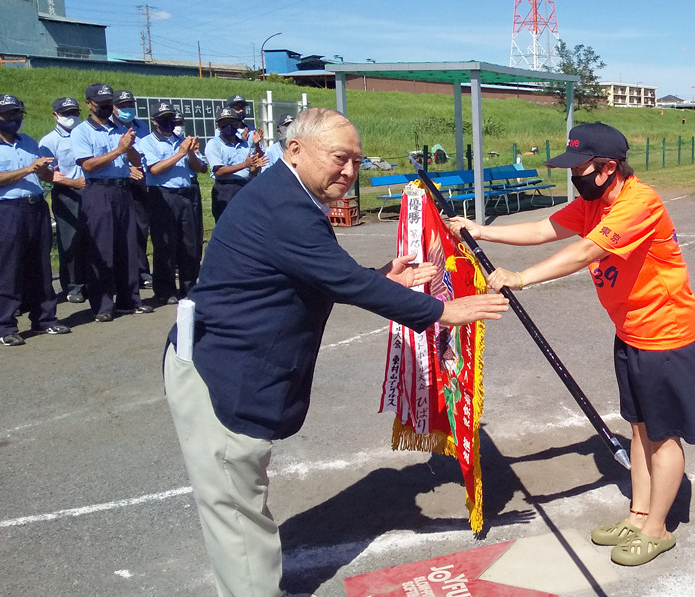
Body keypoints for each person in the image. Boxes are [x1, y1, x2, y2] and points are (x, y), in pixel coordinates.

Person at [163, 108, 508, 597]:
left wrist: (382, 277)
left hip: (236, 363)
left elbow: (321, 273)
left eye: (356, 161)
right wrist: (442, 312)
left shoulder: (287, 195)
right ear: (295, 150)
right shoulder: (285, 207)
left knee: (241, 502)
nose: (348, 172)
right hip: (222, 373)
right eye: (338, 158)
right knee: (236, 515)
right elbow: (339, 277)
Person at [449, 122, 695, 567]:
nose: (574, 176)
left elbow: (588, 252)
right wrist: (480, 230)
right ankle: (639, 514)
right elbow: (546, 228)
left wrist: (521, 277)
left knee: (663, 437)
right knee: (639, 429)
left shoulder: (637, 203)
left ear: (608, 168)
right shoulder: (594, 202)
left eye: (579, 167)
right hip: (632, 332)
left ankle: (657, 529)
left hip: (668, 336)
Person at [70, 83, 151, 322]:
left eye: (108, 103)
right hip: (98, 191)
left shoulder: (120, 129)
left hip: (122, 190)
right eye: (101, 104)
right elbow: (87, 165)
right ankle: (103, 304)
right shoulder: (82, 132)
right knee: (102, 248)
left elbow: (136, 161)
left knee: (128, 245)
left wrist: (129, 148)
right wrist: (118, 151)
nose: (105, 107)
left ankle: (130, 300)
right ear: (89, 104)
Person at [0, 93, 71, 346]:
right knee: (9, 267)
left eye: (17, 114)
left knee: (40, 266)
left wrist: (43, 171)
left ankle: (45, 319)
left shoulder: (29, 142)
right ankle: (6, 325)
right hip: (7, 210)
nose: (14, 119)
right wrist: (28, 169)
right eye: (8, 115)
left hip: (36, 206)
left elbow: (46, 177)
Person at [136, 102, 205, 305]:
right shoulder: (147, 142)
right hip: (162, 195)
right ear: (154, 121)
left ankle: (189, 286)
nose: (167, 122)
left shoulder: (182, 141)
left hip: (186, 194)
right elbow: (155, 170)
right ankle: (165, 289)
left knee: (190, 243)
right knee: (166, 244)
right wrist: (180, 153)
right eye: (163, 118)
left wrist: (190, 152)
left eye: (170, 118)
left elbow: (199, 168)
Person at [38, 97, 87, 303]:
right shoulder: (48, 142)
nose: (71, 117)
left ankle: (92, 281)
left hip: (91, 191)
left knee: (92, 238)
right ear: (55, 116)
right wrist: (71, 182)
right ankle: (73, 286)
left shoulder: (85, 134)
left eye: (74, 112)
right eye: (66, 113)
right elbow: (48, 174)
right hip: (67, 194)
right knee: (70, 240)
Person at [111, 89, 155, 290]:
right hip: (119, 181)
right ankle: (121, 274)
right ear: (113, 107)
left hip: (141, 181)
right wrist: (127, 169)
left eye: (130, 105)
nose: (127, 109)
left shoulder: (141, 125)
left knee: (140, 228)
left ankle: (141, 270)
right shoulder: (110, 127)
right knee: (119, 230)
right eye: (122, 106)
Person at [206, 107, 266, 221]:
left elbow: (252, 171)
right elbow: (218, 171)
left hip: (245, 186)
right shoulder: (214, 144)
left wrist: (255, 163)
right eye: (224, 123)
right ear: (218, 126)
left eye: (232, 122)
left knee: (247, 222)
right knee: (226, 223)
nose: (229, 125)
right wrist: (244, 164)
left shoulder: (244, 144)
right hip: (225, 189)